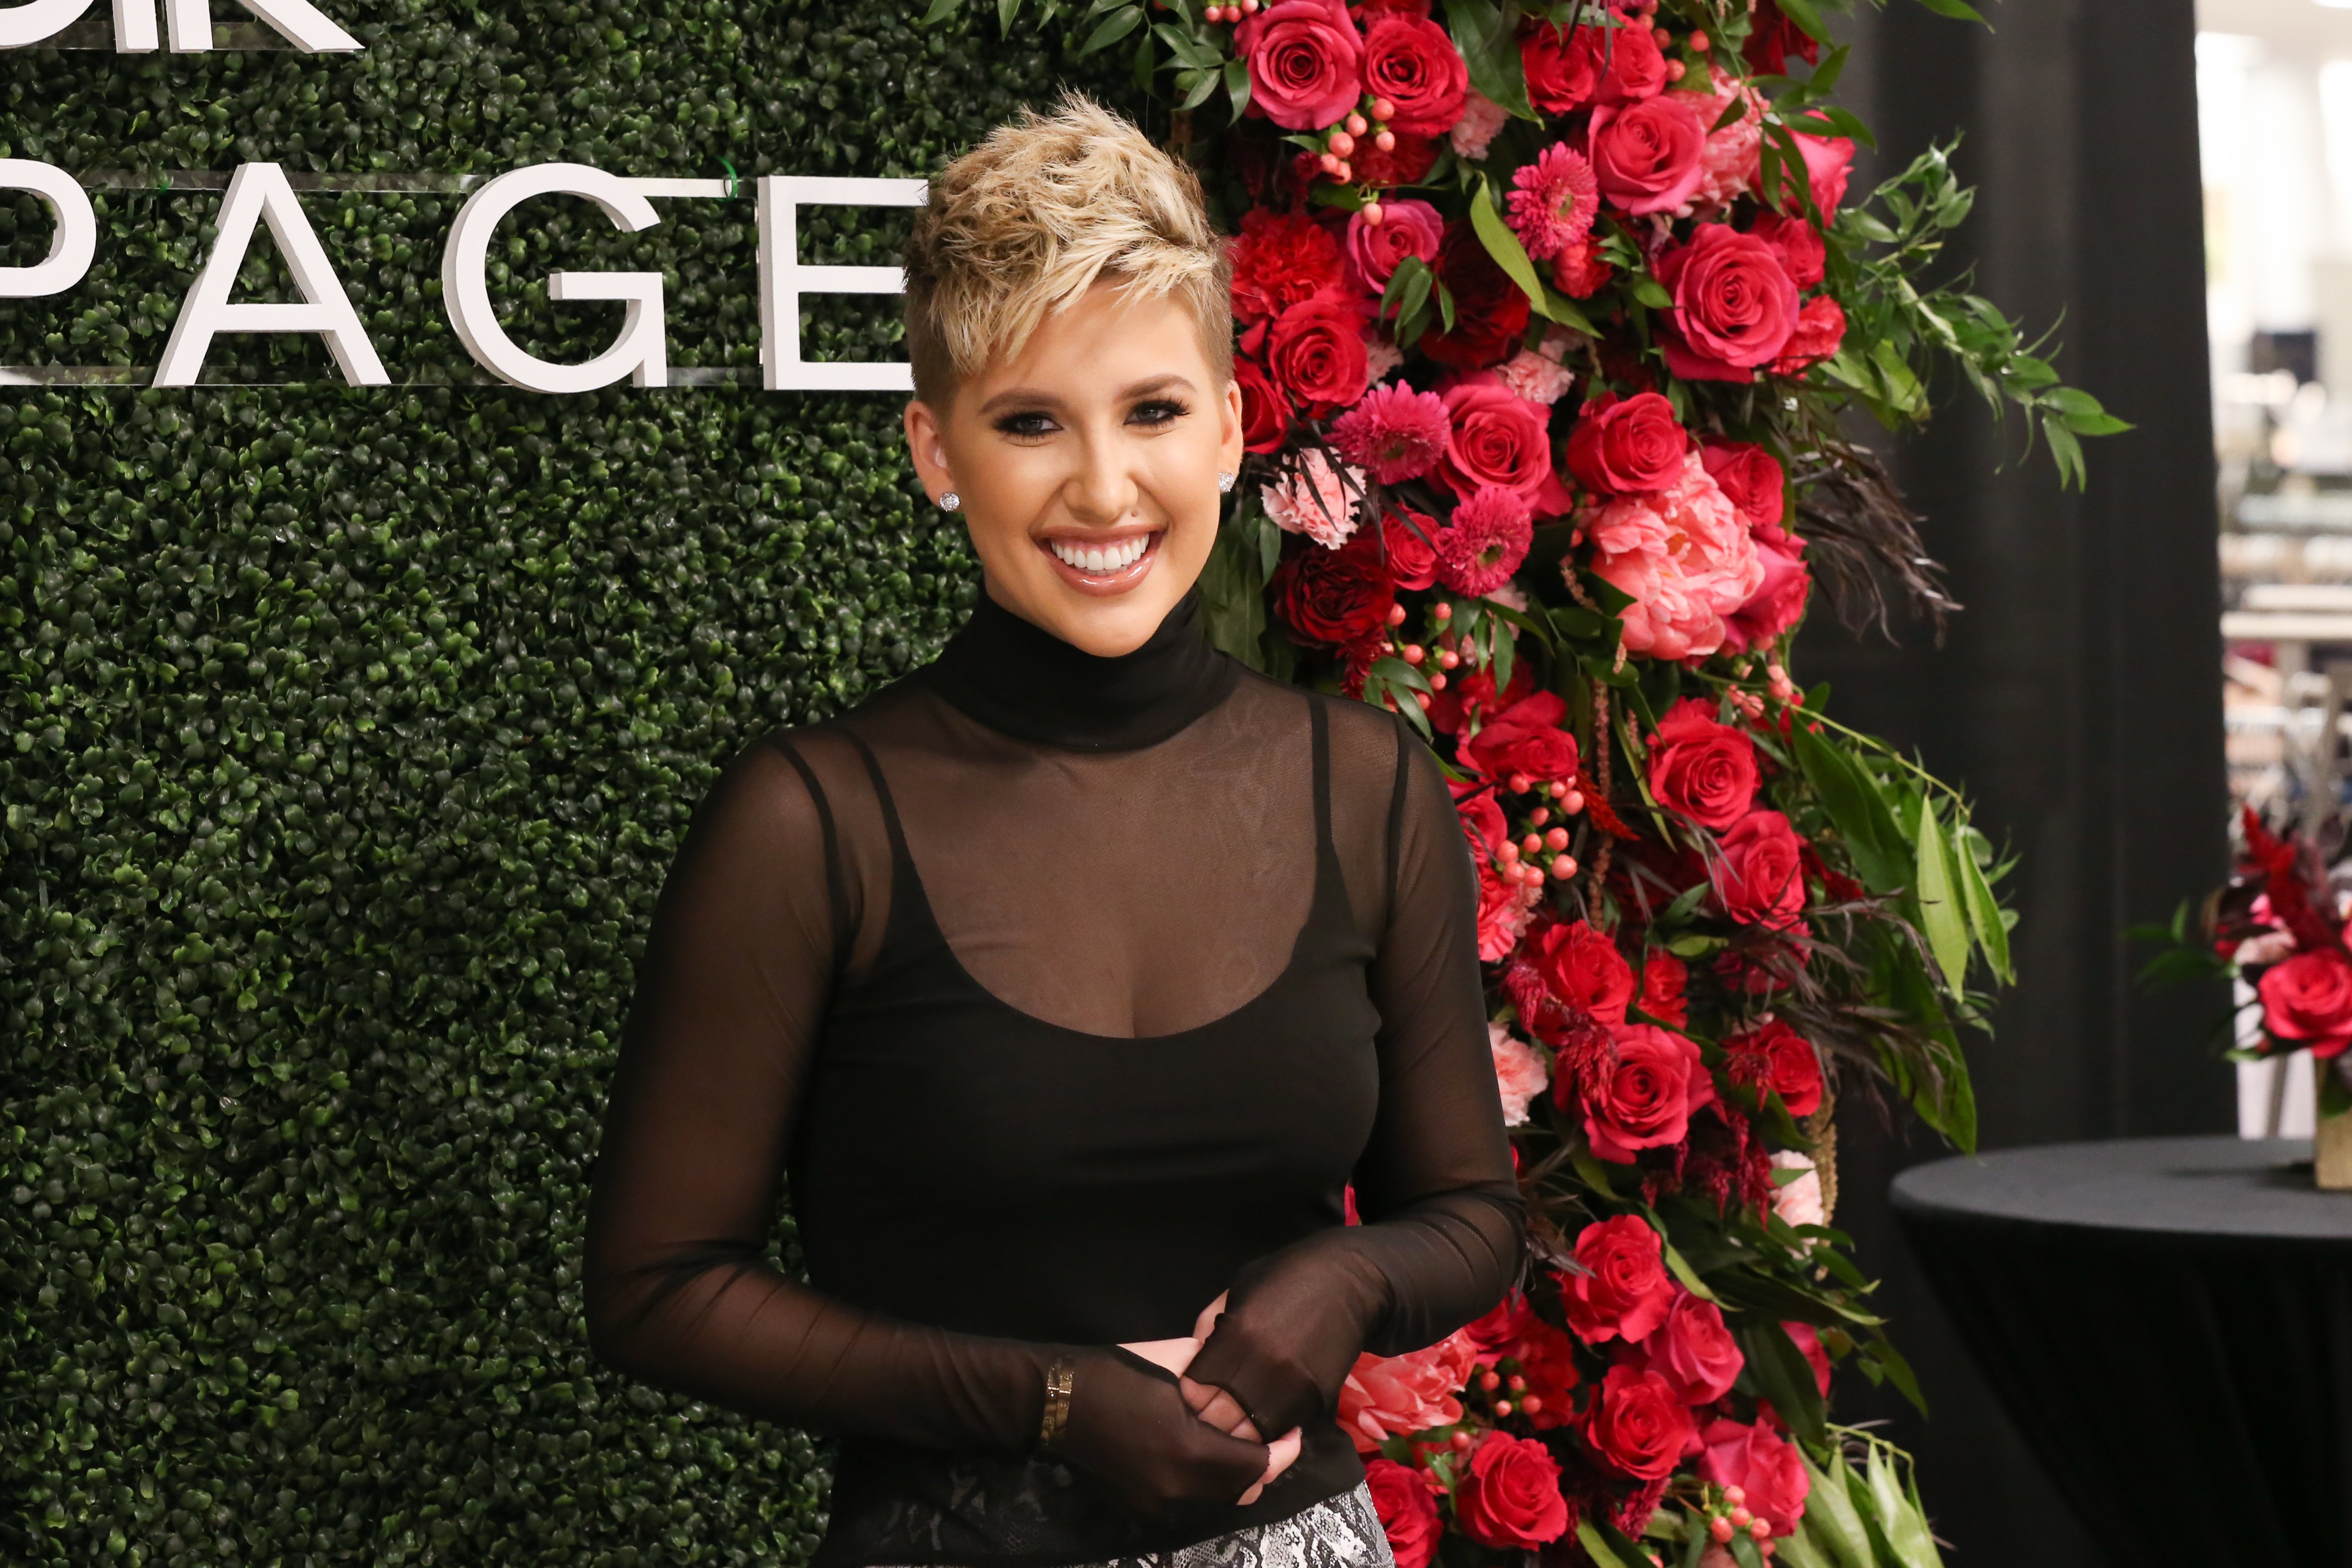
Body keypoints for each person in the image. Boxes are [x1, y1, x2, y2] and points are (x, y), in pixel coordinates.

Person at [582, 94, 1524, 1568]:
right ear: (933, 451)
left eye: (1150, 410)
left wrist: (1339, 1284)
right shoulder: (811, 819)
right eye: (1029, 422)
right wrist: (1051, 1403)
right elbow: (657, 1287)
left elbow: (1466, 1209)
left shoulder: (1365, 787)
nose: (1100, 488)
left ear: (1226, 426)